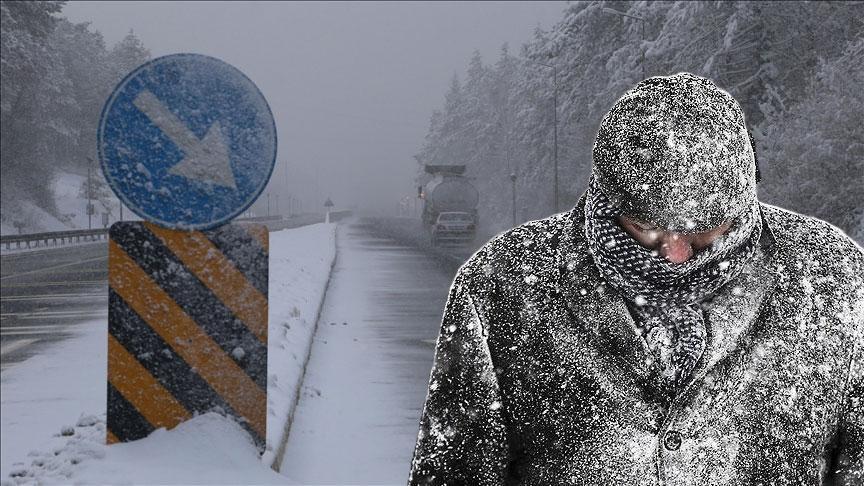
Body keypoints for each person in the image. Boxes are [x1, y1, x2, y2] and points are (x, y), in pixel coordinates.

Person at [407, 73, 863, 485]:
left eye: (704, 231)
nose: (676, 256)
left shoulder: (833, 280)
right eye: (647, 229)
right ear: (609, 202)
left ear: (742, 205)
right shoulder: (501, 286)